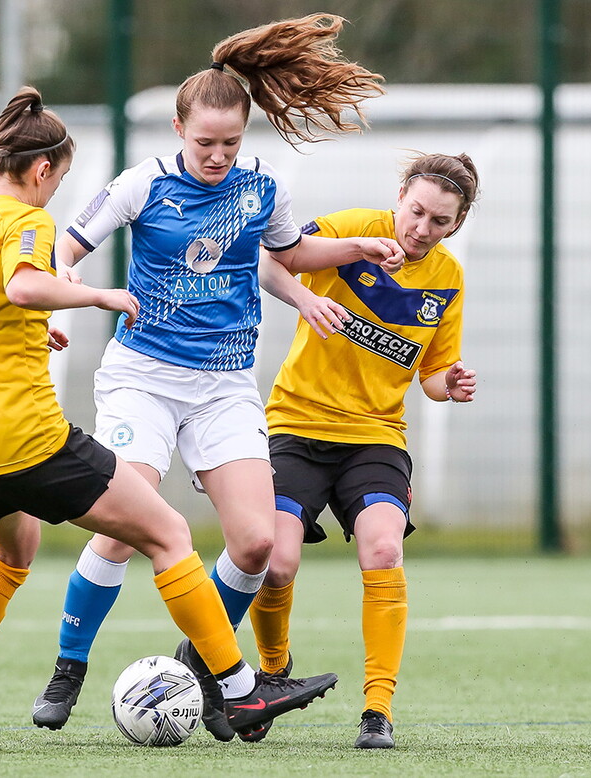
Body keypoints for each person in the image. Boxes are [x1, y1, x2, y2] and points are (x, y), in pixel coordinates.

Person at [0, 86, 340, 750]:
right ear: (44, 170)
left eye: (231, 143)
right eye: (59, 179)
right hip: (33, 440)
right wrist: (97, 295)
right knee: (166, 535)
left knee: (12, 553)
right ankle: (240, 688)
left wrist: (21, 327)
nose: (219, 154)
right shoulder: (34, 221)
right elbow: (25, 282)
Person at [31, 14, 403, 742]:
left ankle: (204, 662)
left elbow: (290, 254)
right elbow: (64, 247)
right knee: (122, 525)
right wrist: (66, 292)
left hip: (225, 386)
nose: (217, 154)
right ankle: (67, 669)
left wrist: (360, 245)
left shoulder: (262, 189)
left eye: (230, 142)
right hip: (143, 376)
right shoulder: (142, 185)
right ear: (178, 128)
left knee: (258, 545)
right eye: (205, 142)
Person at [248, 152, 480, 748]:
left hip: (375, 437)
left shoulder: (448, 278)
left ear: (456, 224)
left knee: (383, 551)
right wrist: (304, 299)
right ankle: (272, 674)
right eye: (417, 211)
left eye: (439, 221)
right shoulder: (354, 230)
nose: (421, 228)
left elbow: (431, 373)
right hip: (296, 424)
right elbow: (270, 263)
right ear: (400, 195)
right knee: (277, 561)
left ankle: (378, 712)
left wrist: (448, 386)